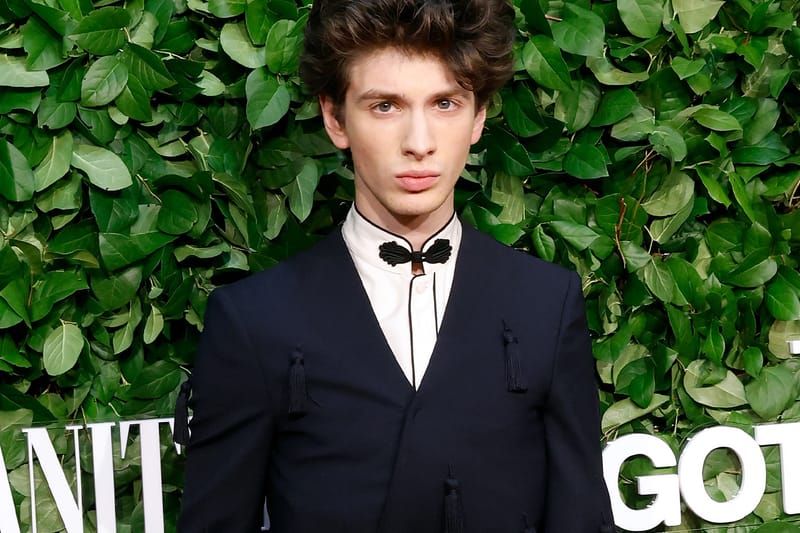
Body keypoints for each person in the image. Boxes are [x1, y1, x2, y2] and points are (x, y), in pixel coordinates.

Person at [176, 0, 614, 531]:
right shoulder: (254, 320)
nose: (419, 144)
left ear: (478, 117)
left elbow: (582, 516)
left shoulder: (546, 302)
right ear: (335, 118)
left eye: (445, 104)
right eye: (385, 106)